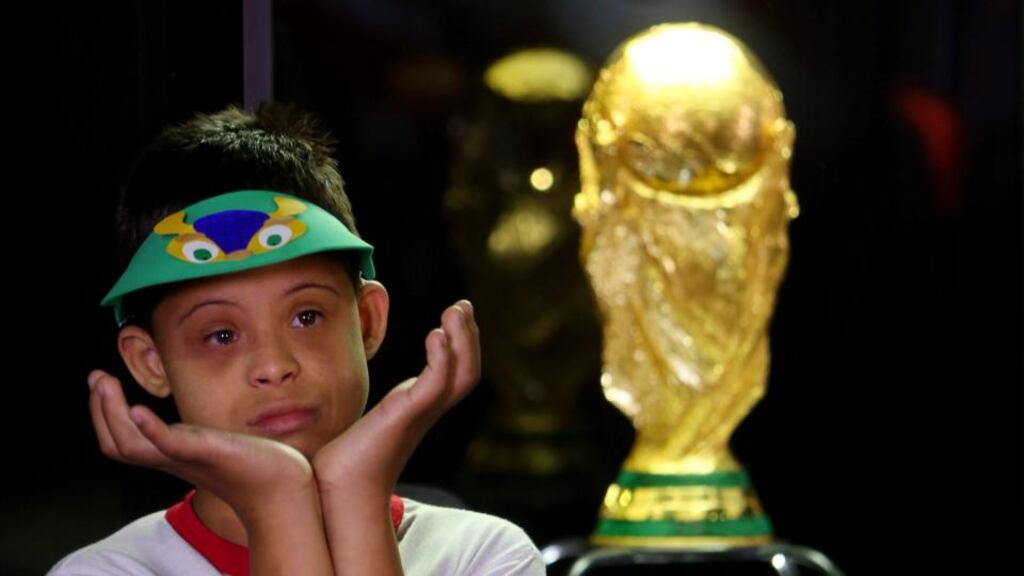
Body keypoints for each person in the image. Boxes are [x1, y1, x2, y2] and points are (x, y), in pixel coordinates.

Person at [49, 104, 544, 575]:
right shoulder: (105, 571)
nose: (274, 365)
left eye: (307, 317)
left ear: (367, 321)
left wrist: (357, 494)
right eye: (221, 334)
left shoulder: (481, 556)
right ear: (150, 362)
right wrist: (278, 502)